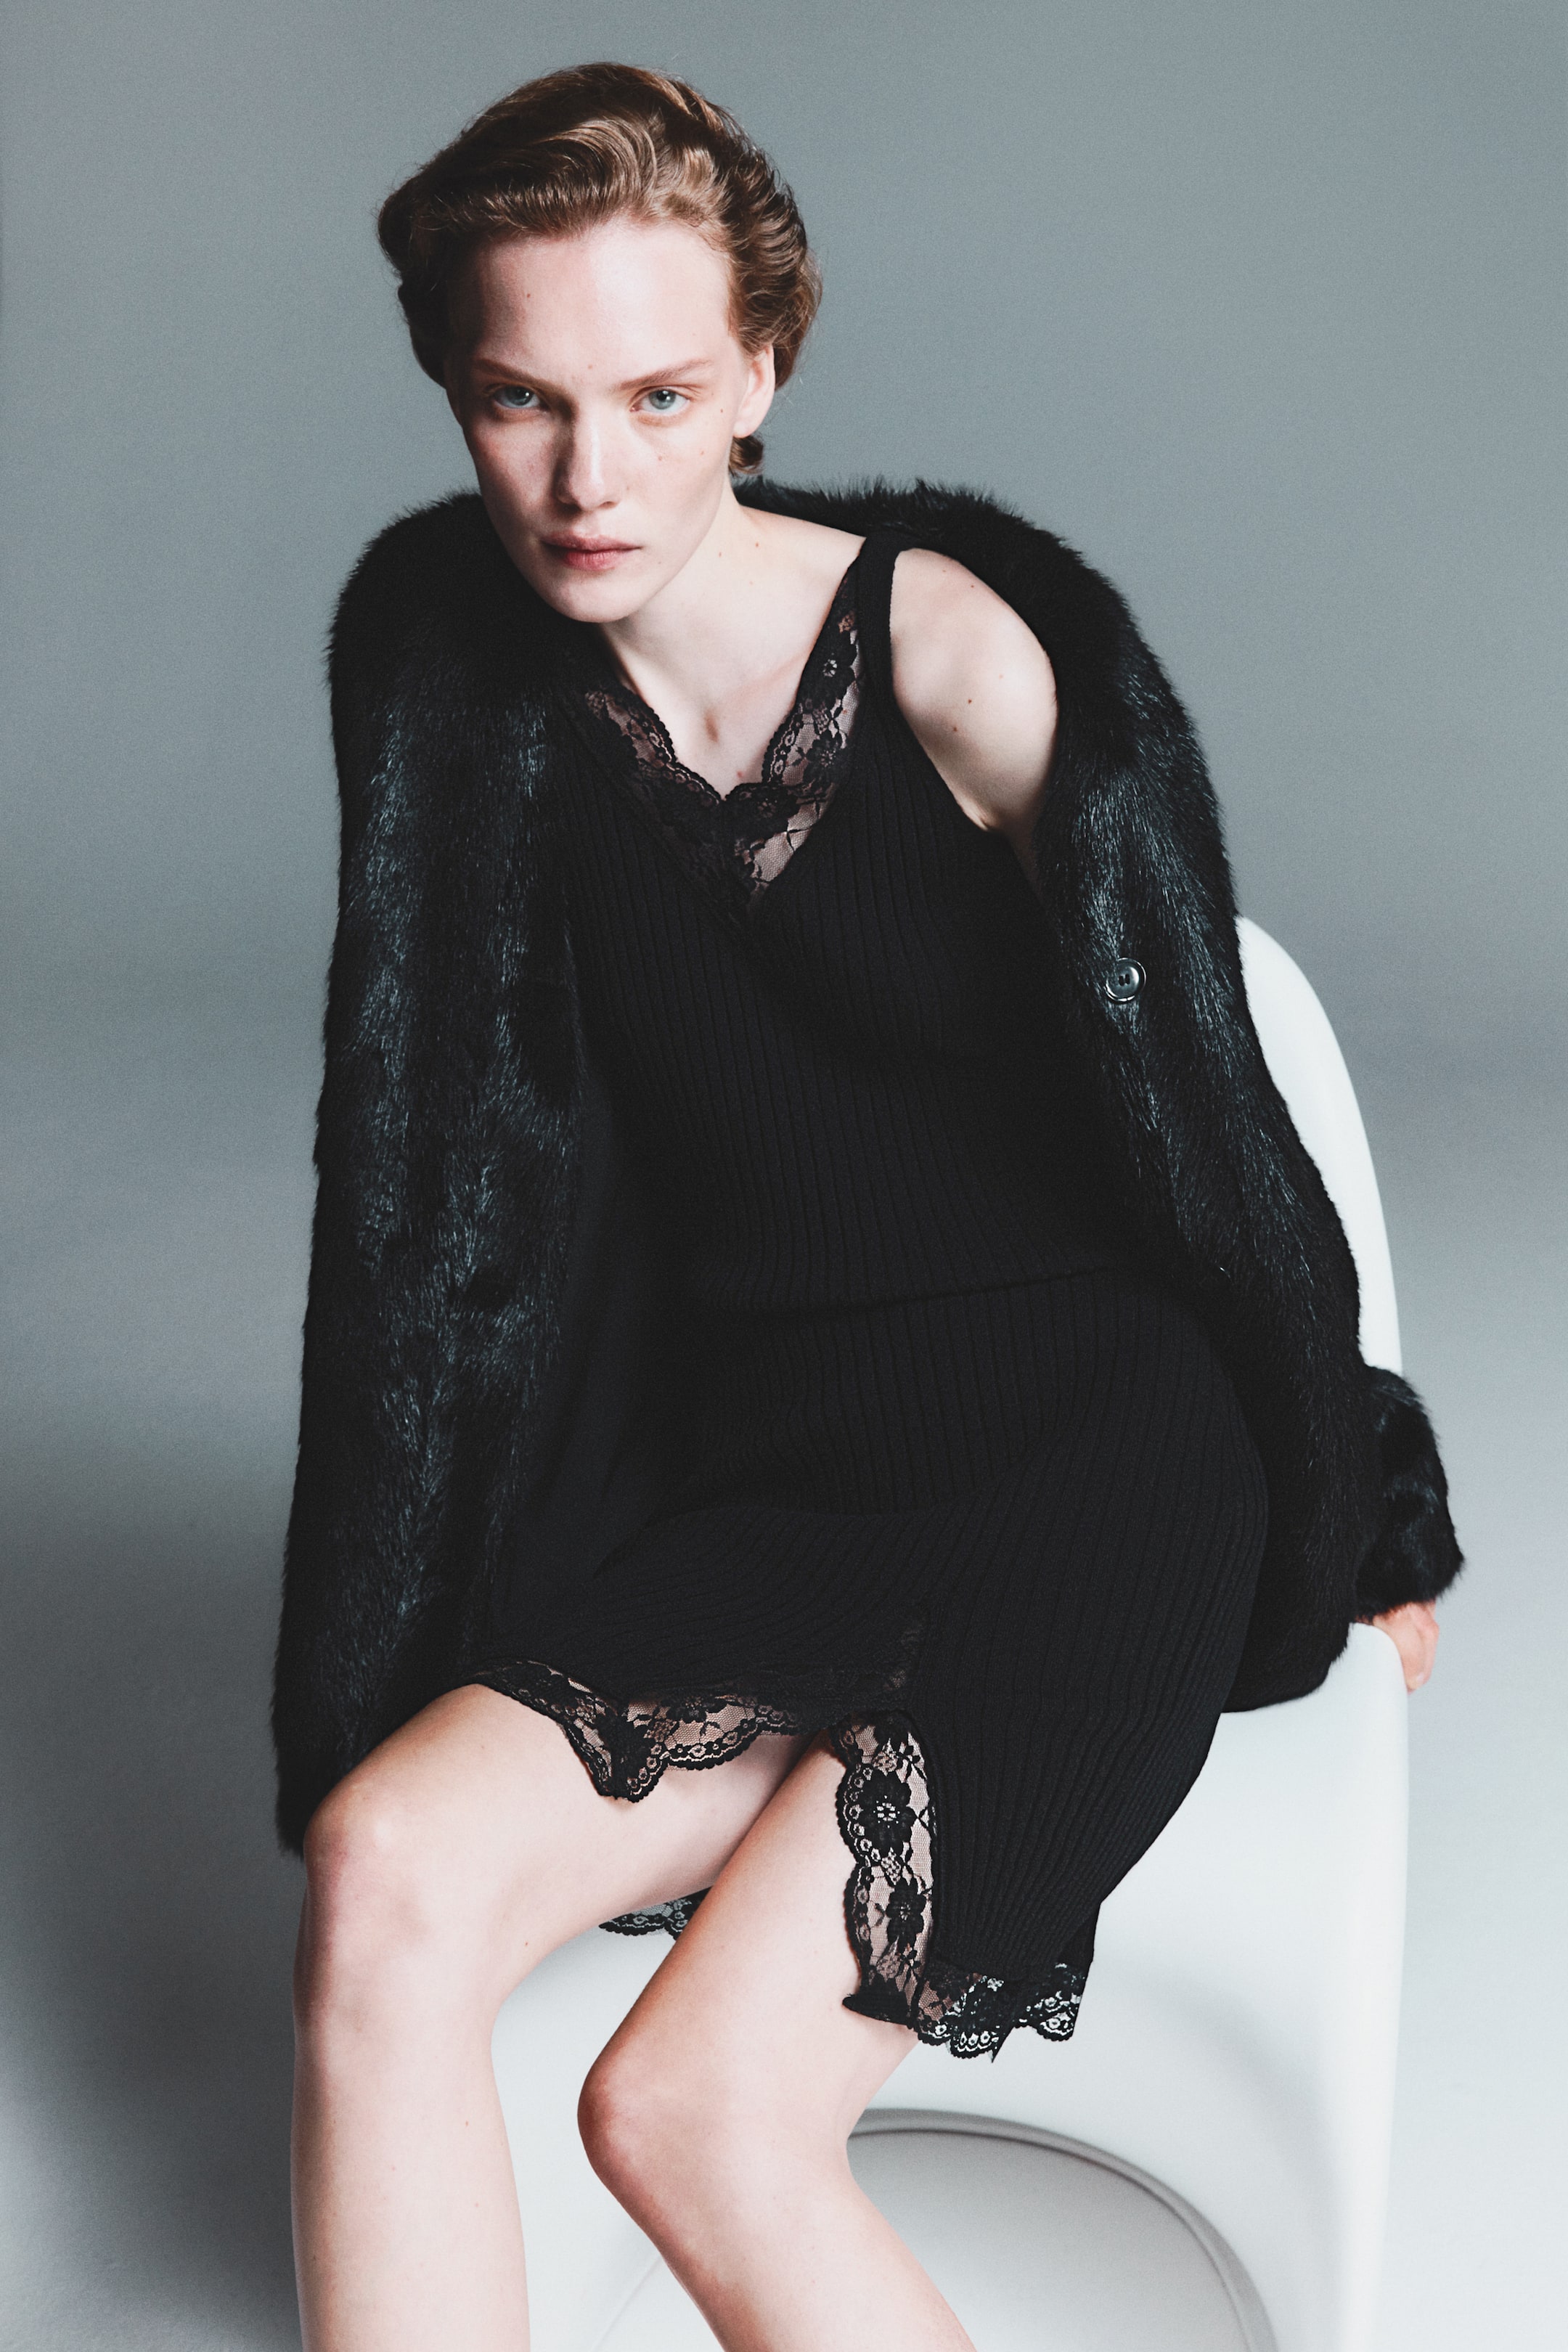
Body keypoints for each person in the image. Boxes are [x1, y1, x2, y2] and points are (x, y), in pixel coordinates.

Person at [274, 61, 1461, 2352]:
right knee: (380, 1872)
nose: (590, 478)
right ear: (454, 390)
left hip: (1089, 1467)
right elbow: (431, 1201)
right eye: (522, 401)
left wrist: (1366, 1487)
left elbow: (1207, 1113)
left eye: (657, 395)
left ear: (763, 374)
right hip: (772, 1476)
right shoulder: (452, 686)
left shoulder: (958, 654)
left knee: (690, 2115)